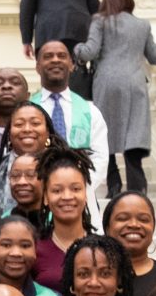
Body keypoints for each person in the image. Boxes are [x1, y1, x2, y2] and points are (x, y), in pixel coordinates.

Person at [77, 0, 156, 197]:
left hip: (107, 83)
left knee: (105, 132)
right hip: (135, 84)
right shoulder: (142, 25)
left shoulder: (100, 21)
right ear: (129, 2)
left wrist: (76, 48)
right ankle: (137, 188)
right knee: (133, 134)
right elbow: (154, 57)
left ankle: (114, 184)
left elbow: (89, 52)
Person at [33, 40, 113, 195]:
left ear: (71, 65)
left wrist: (76, 189)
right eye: (48, 56)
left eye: (61, 56)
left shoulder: (90, 111)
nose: (55, 60)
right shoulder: (28, 109)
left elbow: (100, 158)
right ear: (37, 67)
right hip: (38, 195)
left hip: (81, 197)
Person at [0, 101, 56, 215]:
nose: (27, 129)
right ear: (9, 133)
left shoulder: (68, 171)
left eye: (35, 123)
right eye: (19, 124)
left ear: (48, 131)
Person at [36, 147, 99, 293]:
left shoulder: (102, 249)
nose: (67, 197)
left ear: (86, 194)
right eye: (57, 190)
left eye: (75, 189)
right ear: (45, 197)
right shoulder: (34, 250)